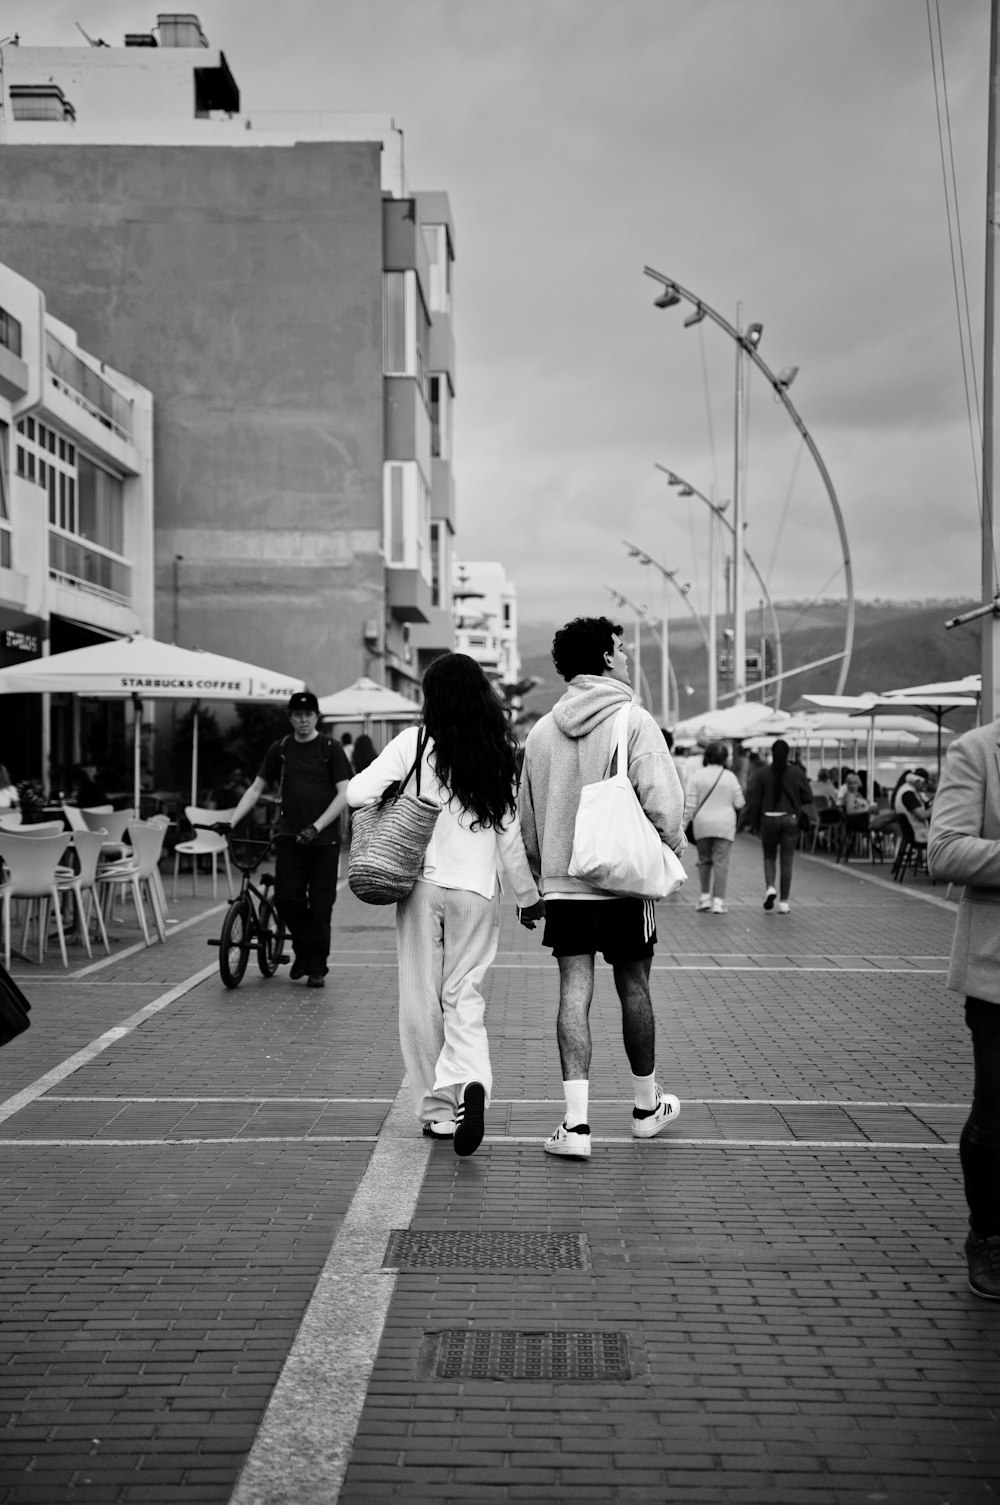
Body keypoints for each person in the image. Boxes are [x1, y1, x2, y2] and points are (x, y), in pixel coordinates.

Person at [347, 652, 543, 1157]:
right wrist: (527, 897)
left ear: (432, 697)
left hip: (421, 885)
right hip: (475, 891)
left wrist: (400, 791)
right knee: (464, 995)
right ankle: (472, 1081)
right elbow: (509, 836)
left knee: (420, 997)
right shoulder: (499, 748)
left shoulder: (412, 744)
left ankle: (437, 1113)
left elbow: (356, 794)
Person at [519, 615, 686, 1161]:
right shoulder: (633, 721)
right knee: (634, 988)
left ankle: (576, 1125)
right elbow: (664, 801)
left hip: (563, 884)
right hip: (621, 885)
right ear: (607, 657)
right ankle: (644, 1108)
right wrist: (669, 848)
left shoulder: (540, 733)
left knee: (574, 991)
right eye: (620, 646)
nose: (625, 653)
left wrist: (542, 876)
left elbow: (527, 819)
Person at [927, 725, 1000, 1299]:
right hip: (997, 972)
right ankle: (989, 1234)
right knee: (995, 1119)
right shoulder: (977, 751)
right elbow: (945, 849)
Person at [226, 690, 351, 988]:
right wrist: (231, 822)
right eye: (297, 715)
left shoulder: (330, 748)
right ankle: (304, 952)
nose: (303, 720)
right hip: (289, 839)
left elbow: (344, 793)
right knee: (286, 899)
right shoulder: (281, 749)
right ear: (291, 718)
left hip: (323, 843)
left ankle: (315, 967)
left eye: (308, 715)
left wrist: (317, 827)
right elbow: (256, 788)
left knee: (321, 905)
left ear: (317, 717)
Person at [743, 737, 816, 913]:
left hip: (768, 818)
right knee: (787, 860)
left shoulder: (762, 773)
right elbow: (808, 796)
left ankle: (770, 887)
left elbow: (755, 801)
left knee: (769, 856)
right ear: (788, 753)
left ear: (772, 754)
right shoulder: (797, 772)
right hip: (790, 818)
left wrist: (753, 824)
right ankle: (784, 903)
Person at [684, 740, 745, 915]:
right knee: (721, 863)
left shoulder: (698, 775)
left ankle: (704, 898)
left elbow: (690, 806)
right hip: (725, 825)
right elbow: (740, 802)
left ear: (707, 756)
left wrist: (682, 826)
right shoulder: (730, 777)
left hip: (702, 824)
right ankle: (718, 902)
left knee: (704, 861)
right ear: (725, 758)